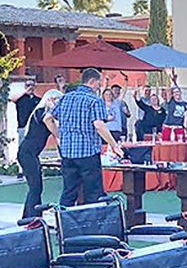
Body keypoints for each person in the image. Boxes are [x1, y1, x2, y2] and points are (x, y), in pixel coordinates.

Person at [49, 67, 123, 207]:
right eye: (98, 82)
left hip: (68, 153)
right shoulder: (94, 100)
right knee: (93, 192)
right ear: (91, 81)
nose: (99, 85)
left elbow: (48, 118)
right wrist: (114, 146)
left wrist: (58, 137)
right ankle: (92, 224)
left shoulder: (65, 98)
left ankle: (64, 223)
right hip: (88, 152)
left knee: (69, 191)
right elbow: (99, 125)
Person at [18, 89, 60, 219]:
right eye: (57, 101)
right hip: (27, 153)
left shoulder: (43, 114)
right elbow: (57, 129)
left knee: (35, 187)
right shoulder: (41, 113)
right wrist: (54, 108)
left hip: (30, 153)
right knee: (36, 187)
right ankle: (32, 217)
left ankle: (29, 216)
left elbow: (56, 132)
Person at [13, 79, 40, 144]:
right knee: (22, 144)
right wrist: (25, 92)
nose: (30, 87)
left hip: (33, 127)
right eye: (28, 85)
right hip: (22, 126)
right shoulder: (21, 98)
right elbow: (12, 99)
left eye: (32, 85)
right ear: (25, 86)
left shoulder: (38, 100)